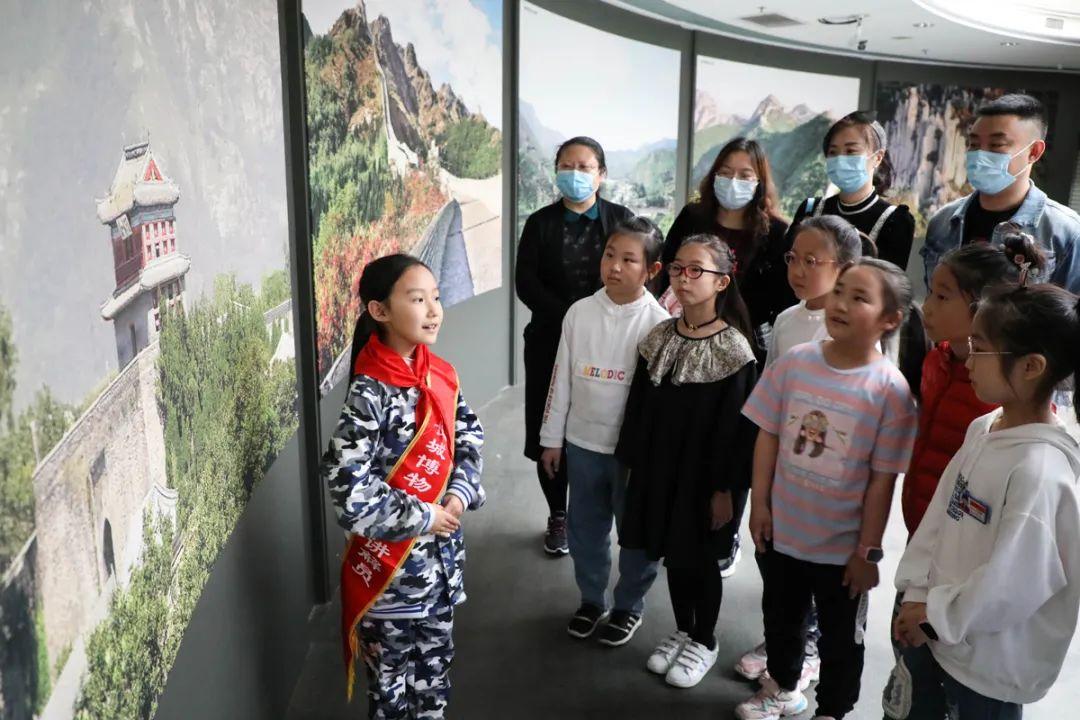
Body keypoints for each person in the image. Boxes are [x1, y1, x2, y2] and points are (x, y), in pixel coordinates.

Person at [737, 258, 918, 720]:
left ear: (890, 319)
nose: (840, 304)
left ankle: (832, 710)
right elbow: (768, 435)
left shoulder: (890, 391)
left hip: (842, 551)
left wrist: (867, 552)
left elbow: (882, 481)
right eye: (839, 291)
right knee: (781, 622)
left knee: (841, 639)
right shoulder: (796, 362)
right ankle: (782, 687)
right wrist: (760, 505)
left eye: (859, 298)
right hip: (783, 532)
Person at [892, 282, 1080, 719]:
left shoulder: (1039, 472)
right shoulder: (985, 428)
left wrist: (934, 617)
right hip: (936, 633)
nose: (968, 359)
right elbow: (939, 519)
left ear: (1031, 366)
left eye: (979, 348)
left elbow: (1012, 585)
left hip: (984, 670)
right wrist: (916, 593)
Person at [322, 254, 485, 719]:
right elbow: (349, 490)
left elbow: (469, 435)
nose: (433, 310)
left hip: (441, 570)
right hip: (390, 581)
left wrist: (459, 492)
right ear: (380, 311)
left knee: (433, 681)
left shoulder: (440, 374)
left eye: (436, 297)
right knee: (390, 694)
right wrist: (425, 515)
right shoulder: (369, 392)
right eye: (417, 300)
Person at [733, 214, 872, 693]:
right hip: (786, 466)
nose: (797, 270)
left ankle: (809, 650)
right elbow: (771, 401)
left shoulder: (857, 328)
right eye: (793, 258)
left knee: (825, 574)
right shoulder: (787, 320)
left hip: (834, 478)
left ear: (845, 268)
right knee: (781, 565)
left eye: (812, 261)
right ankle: (786, 643)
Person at [616, 234, 759, 688]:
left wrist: (725, 490)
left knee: (700, 558)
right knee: (672, 554)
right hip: (660, 471)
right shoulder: (660, 336)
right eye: (678, 268)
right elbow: (638, 409)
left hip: (706, 479)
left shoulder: (734, 349)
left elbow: (739, 433)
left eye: (696, 270)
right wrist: (633, 466)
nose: (683, 278)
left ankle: (704, 638)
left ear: (722, 282)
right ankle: (682, 629)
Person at [538, 217, 669, 646]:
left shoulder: (658, 323)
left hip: (631, 454)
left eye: (629, 259)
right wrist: (552, 439)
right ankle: (592, 599)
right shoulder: (580, 313)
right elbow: (561, 378)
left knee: (635, 534)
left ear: (652, 269)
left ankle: (629, 605)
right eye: (610, 255)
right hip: (582, 444)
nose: (614, 266)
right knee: (585, 529)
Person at [516, 136, 634, 557]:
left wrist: (595, 317)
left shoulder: (622, 220)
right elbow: (526, 283)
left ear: (601, 175)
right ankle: (558, 514)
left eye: (584, 167)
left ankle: (606, 512)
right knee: (548, 425)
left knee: (605, 420)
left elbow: (636, 274)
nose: (575, 174)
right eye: (566, 166)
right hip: (550, 338)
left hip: (611, 342)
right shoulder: (540, 223)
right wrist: (571, 317)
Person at [921, 93, 1080, 295]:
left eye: (996, 145)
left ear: (1034, 152)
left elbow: (1071, 310)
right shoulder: (943, 221)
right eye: (974, 145)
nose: (980, 155)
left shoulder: (1066, 232)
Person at [658, 137, 793, 358]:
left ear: (759, 181)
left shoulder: (776, 232)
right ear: (714, 175)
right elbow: (667, 266)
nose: (733, 181)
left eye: (745, 175)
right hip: (686, 331)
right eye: (726, 173)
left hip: (745, 342)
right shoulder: (692, 217)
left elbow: (779, 296)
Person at [789, 112, 915, 271]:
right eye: (833, 152)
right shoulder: (810, 209)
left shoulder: (895, 221)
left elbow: (888, 284)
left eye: (850, 151)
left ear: (877, 157)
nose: (840, 160)